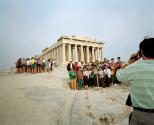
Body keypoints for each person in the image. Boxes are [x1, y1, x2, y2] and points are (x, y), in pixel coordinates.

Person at [116, 38, 154, 125]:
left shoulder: (132, 69)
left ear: (141, 52)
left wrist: (129, 62)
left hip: (140, 115)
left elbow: (119, 75)